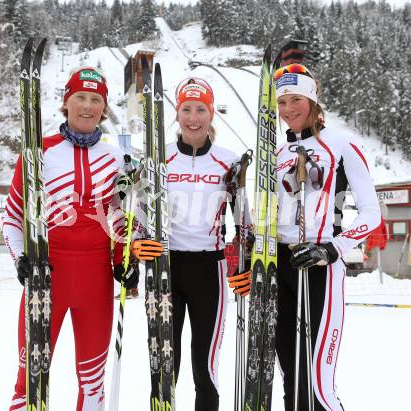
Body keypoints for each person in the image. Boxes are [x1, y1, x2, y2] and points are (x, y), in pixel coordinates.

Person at [3, 66, 145, 410]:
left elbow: (119, 220)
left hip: (95, 282)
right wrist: (22, 259)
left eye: (96, 100)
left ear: (104, 108)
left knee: (94, 383)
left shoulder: (115, 159)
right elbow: (12, 218)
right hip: (48, 276)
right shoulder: (39, 152)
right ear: (66, 103)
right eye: (80, 97)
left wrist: (125, 261)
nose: (87, 106)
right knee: (31, 379)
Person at [274, 63, 381, 411]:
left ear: (313, 100)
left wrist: (331, 249)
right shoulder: (275, 153)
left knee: (318, 384)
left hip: (319, 266)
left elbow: (371, 214)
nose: (289, 109)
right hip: (280, 265)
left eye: (296, 99)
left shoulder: (341, 144)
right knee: (292, 377)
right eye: (282, 102)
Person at [146, 76, 252, 411]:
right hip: (166, 268)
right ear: (177, 114)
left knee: (204, 367)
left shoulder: (228, 160)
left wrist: (243, 261)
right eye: (187, 109)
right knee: (164, 366)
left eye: (201, 109)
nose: (194, 117)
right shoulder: (159, 158)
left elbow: (244, 220)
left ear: (211, 114)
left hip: (211, 270)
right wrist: (137, 244)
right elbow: (137, 213)